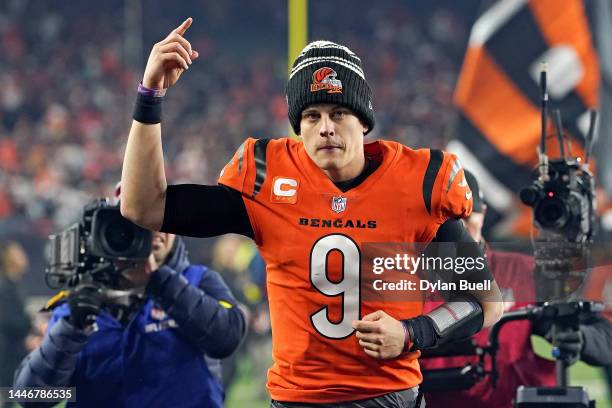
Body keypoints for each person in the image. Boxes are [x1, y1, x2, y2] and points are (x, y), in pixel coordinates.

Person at [121, 18, 504, 407]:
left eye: (338, 113)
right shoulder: (266, 178)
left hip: (387, 398)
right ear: (298, 126)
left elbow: (484, 303)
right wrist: (149, 95)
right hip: (297, 400)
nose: (325, 128)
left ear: (363, 121)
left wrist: (412, 332)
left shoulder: (417, 182)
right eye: (312, 115)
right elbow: (143, 206)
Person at [420, 170, 612, 408]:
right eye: (446, 223)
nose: (458, 235)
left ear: (482, 215)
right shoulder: (395, 278)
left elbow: (605, 337)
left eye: (465, 219)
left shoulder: (522, 273)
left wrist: (579, 339)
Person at [14, 223, 247, 407]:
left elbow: (227, 338)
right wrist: (71, 329)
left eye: (162, 219)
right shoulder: (79, 302)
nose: (153, 229)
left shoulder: (199, 280)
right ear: (114, 231)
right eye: (139, 220)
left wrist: (161, 282)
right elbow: (30, 397)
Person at [0, 240, 30, 389]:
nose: (24, 257)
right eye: (19, 254)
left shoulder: (14, 285)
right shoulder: (4, 287)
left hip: (13, 351)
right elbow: (10, 322)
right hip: (7, 353)